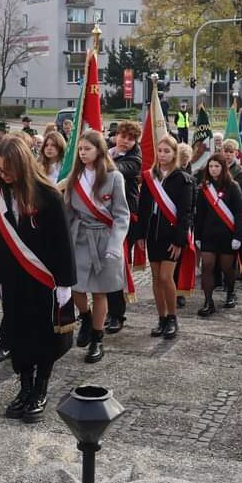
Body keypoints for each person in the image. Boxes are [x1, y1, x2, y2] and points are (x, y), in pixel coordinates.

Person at [0, 135, 76, 423]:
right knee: (18, 335)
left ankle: (40, 390)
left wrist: (64, 283)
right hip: (13, 279)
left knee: (43, 337)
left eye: (8, 170)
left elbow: (62, 242)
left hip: (43, 280)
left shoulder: (47, 195)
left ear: (22, 165)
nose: (3, 175)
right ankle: (24, 388)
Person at [63, 130, 129, 363]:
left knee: (100, 291)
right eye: (80, 149)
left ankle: (97, 340)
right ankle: (86, 317)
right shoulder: (74, 178)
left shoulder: (113, 177)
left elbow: (122, 215)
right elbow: (68, 213)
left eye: (87, 149)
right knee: (77, 288)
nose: (82, 153)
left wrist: (115, 244)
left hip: (104, 238)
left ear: (99, 150)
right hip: (80, 237)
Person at [135, 135, 193, 339]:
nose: (162, 154)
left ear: (175, 154)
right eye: (160, 150)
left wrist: (180, 240)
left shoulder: (183, 179)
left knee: (165, 277)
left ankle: (172, 318)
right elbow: (142, 209)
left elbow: (185, 213)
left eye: (167, 151)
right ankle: (161, 318)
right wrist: (140, 234)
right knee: (155, 279)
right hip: (153, 235)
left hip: (172, 237)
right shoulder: (150, 177)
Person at [193, 153, 242, 316]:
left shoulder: (233, 186)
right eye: (211, 166)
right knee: (207, 266)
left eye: (217, 166)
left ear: (223, 168)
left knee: (227, 268)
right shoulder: (204, 188)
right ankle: (208, 301)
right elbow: (199, 214)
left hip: (227, 235)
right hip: (209, 235)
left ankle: (231, 292)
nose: (213, 169)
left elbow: (240, 213)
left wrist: (238, 236)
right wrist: (198, 237)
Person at [106, 120, 142, 334]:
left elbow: (114, 170)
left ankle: (117, 314)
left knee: (117, 267)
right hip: (100, 218)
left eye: (130, 139)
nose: (125, 142)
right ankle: (103, 309)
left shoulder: (134, 160)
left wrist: (99, 155)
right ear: (116, 135)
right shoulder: (107, 150)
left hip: (121, 221)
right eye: (123, 136)